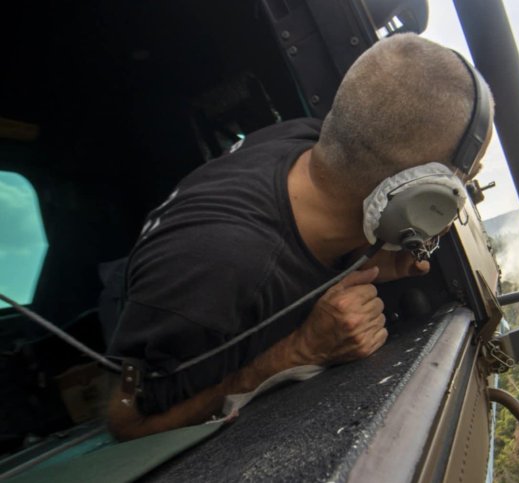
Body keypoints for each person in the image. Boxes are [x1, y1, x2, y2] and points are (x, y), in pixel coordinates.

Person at [106, 33, 493, 440]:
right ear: (419, 194)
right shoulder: (216, 269)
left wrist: (369, 254)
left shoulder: (306, 139)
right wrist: (299, 351)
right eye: (462, 183)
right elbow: (126, 422)